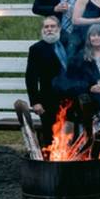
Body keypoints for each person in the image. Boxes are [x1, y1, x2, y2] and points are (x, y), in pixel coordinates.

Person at [65, 23, 100, 133]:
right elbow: (73, 82)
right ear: (89, 38)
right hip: (88, 103)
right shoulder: (81, 57)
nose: (97, 38)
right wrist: (89, 87)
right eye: (93, 35)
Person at [25, 16, 69, 146]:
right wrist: (35, 102)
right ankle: (51, 162)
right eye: (46, 27)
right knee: (51, 137)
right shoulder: (36, 49)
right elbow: (31, 77)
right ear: (42, 30)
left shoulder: (68, 45)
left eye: (52, 26)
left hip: (70, 98)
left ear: (59, 28)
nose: (49, 29)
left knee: (70, 135)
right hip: (48, 100)